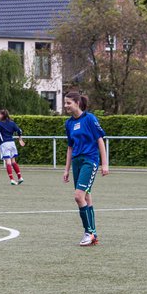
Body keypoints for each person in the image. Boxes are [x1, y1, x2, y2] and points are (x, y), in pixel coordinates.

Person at [62, 92, 108, 246]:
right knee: (86, 196)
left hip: (90, 160)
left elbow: (100, 140)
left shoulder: (89, 118)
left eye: (68, 103)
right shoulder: (68, 124)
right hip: (77, 161)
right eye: (65, 103)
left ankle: (88, 233)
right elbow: (70, 147)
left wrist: (105, 163)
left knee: (78, 196)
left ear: (77, 103)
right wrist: (66, 169)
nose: (66, 106)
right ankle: (93, 233)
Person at [0, 109, 26, 185]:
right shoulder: (12, 123)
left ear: (3, 115)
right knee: (13, 161)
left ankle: (12, 179)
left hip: (4, 144)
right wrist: (20, 139)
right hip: (12, 143)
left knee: (8, 162)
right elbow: (19, 130)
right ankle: (20, 177)